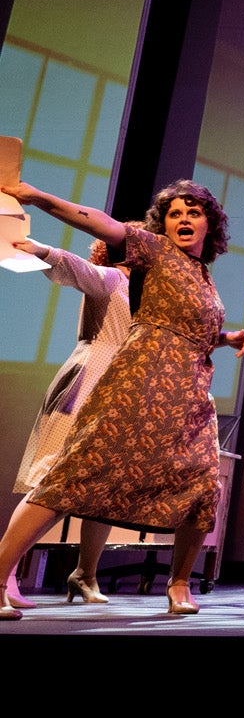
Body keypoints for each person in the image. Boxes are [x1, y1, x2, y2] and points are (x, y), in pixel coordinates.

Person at [0, 179, 244, 620]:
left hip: (189, 394)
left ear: (210, 222)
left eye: (193, 211)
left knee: (202, 485)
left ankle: (178, 583)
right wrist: (40, 197)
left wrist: (226, 338)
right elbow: (100, 223)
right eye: (175, 213)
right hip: (141, 381)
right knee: (74, 473)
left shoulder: (203, 275)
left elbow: (196, 330)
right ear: (163, 224)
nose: (184, 219)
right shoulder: (153, 250)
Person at [4, 233, 134, 608]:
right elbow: (76, 269)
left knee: (103, 489)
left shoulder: (146, 292)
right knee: (52, 478)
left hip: (120, 389)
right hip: (89, 379)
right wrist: (42, 249)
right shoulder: (113, 277)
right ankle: (6, 570)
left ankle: (85, 574)